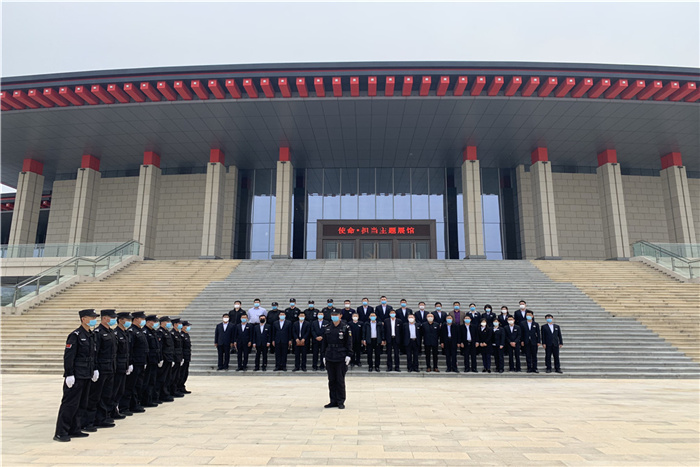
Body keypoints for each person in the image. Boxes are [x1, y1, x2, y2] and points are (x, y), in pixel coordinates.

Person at [54, 308, 98, 442]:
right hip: (77, 374)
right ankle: (61, 432)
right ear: (83, 319)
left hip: (87, 374)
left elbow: (93, 355)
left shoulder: (91, 335)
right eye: (92, 318)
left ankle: (75, 428)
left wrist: (94, 369)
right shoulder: (75, 335)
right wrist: (69, 374)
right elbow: (69, 357)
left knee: (82, 403)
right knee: (70, 404)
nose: (94, 320)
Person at [83, 309, 117, 431]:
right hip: (101, 368)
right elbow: (95, 352)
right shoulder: (98, 333)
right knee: (95, 396)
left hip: (110, 367)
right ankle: (89, 421)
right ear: (105, 318)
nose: (114, 319)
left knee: (106, 395)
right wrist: (95, 368)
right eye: (111, 317)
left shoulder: (111, 332)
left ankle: (102, 418)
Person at [321, 309, 352, 409]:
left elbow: (349, 342)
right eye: (333, 315)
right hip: (330, 356)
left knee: (340, 380)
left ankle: (340, 401)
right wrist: (323, 356)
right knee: (331, 380)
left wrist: (349, 355)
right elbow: (324, 343)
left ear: (340, 316)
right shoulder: (327, 327)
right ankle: (333, 400)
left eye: (336, 314)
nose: (334, 316)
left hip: (340, 356)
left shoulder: (345, 327)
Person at [121, 311, 148, 414]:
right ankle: (125, 407)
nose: (143, 321)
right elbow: (130, 349)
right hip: (135, 362)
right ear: (136, 319)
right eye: (142, 319)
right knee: (130, 386)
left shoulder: (139, 331)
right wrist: (130, 363)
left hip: (141, 362)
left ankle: (135, 404)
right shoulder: (132, 331)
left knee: (138, 385)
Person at [111, 312, 132, 419]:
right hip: (118, 366)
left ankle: (115, 410)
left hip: (124, 365)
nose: (129, 322)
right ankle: (111, 411)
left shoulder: (126, 333)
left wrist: (129, 364)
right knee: (114, 390)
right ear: (120, 320)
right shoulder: (116, 333)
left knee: (121, 390)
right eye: (127, 320)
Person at [141, 315, 162, 408]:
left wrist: (159, 358)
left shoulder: (153, 332)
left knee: (152, 381)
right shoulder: (145, 332)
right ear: (148, 322)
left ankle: (150, 398)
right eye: (154, 321)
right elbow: (145, 348)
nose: (155, 323)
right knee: (146, 381)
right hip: (149, 360)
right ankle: (145, 400)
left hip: (154, 360)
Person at [156, 316, 175, 402]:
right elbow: (160, 347)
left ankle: (166, 393)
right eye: (167, 322)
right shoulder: (160, 332)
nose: (169, 324)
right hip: (164, 358)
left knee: (167, 377)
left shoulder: (167, 332)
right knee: (162, 378)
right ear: (162, 322)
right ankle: (161, 394)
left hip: (169, 357)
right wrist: (160, 358)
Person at [169, 318, 184, 397]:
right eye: (179, 323)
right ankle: (172, 391)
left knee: (177, 375)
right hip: (174, 357)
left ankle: (175, 389)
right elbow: (172, 347)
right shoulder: (172, 334)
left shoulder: (178, 333)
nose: (181, 325)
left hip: (178, 357)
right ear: (175, 324)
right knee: (173, 375)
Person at [179, 321, 192, 393]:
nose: (188, 327)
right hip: (183, 356)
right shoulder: (181, 335)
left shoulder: (186, 335)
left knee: (185, 373)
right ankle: (179, 387)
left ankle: (182, 386)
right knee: (181, 373)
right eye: (187, 326)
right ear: (183, 327)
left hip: (187, 356)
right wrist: (182, 357)